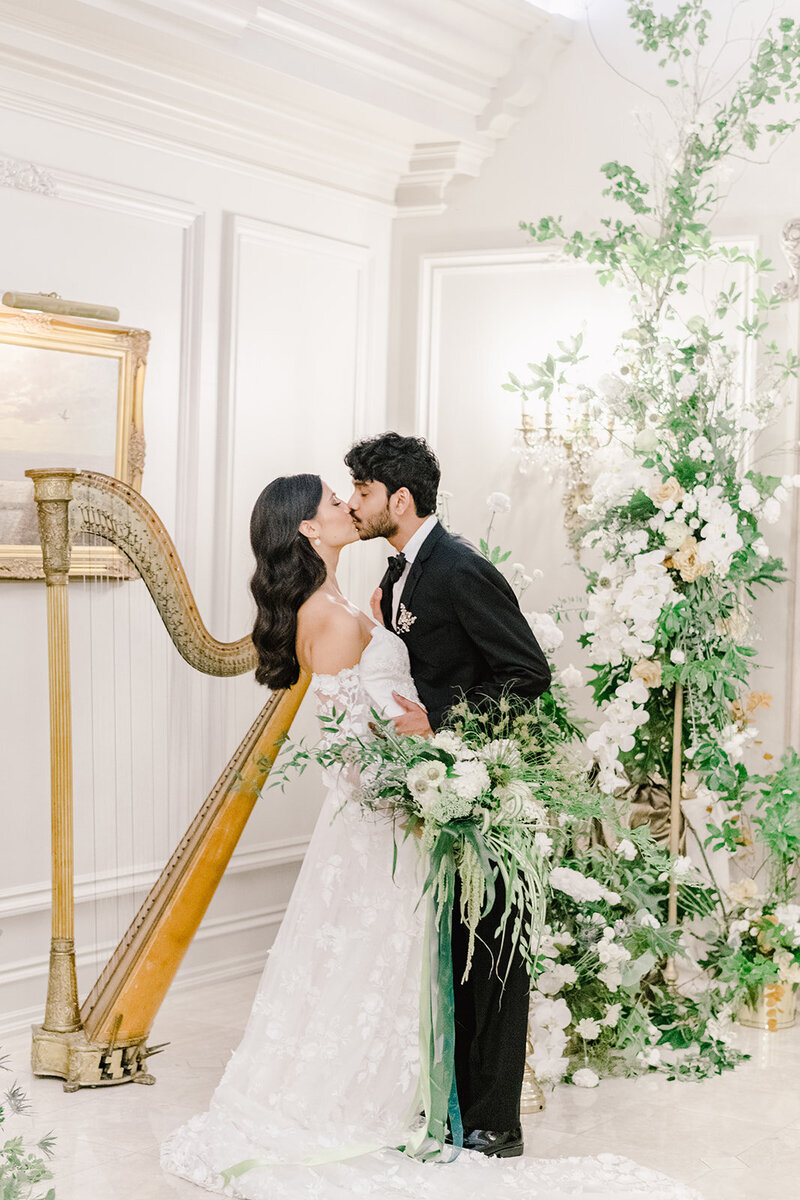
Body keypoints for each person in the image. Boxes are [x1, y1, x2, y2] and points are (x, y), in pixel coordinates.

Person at [161, 470, 699, 1200]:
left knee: (367, 967)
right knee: (371, 965)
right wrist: (420, 784)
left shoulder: (351, 603)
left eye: (350, 493)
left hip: (376, 819)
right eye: (331, 502)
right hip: (383, 821)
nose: (346, 506)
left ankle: (405, 1094)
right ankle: (363, 1101)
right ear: (309, 533)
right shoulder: (334, 615)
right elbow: (360, 741)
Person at [345, 432, 549, 1158]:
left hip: (485, 789)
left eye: (362, 493)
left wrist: (441, 720)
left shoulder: (461, 568)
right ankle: (457, 1106)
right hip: (438, 791)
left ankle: (498, 1124)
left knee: (492, 956)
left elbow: (527, 674)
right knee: (455, 955)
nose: (353, 504)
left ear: (398, 499)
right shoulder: (399, 573)